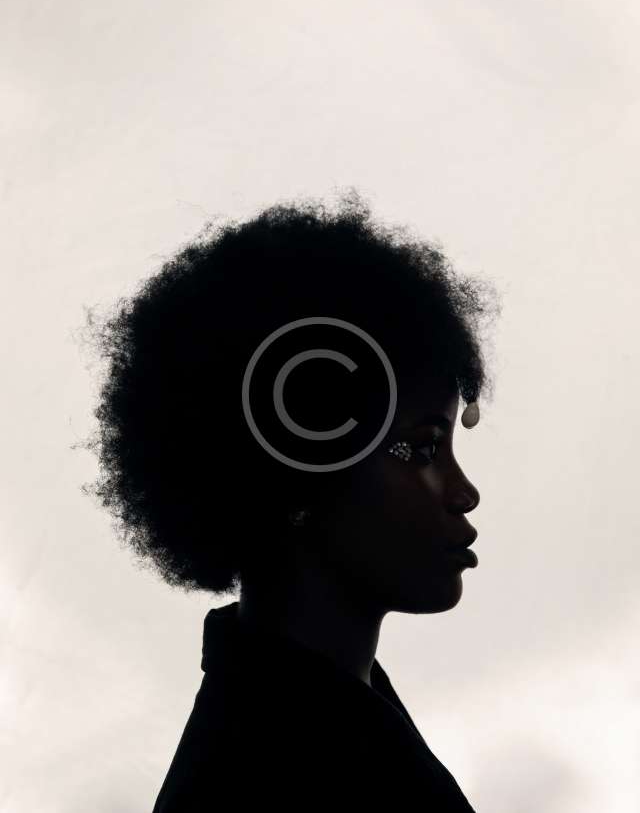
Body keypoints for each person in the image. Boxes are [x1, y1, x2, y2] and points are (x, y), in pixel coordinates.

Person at [78, 191, 502, 810]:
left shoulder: (325, 707)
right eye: (420, 449)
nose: (465, 493)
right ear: (293, 466)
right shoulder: (267, 774)